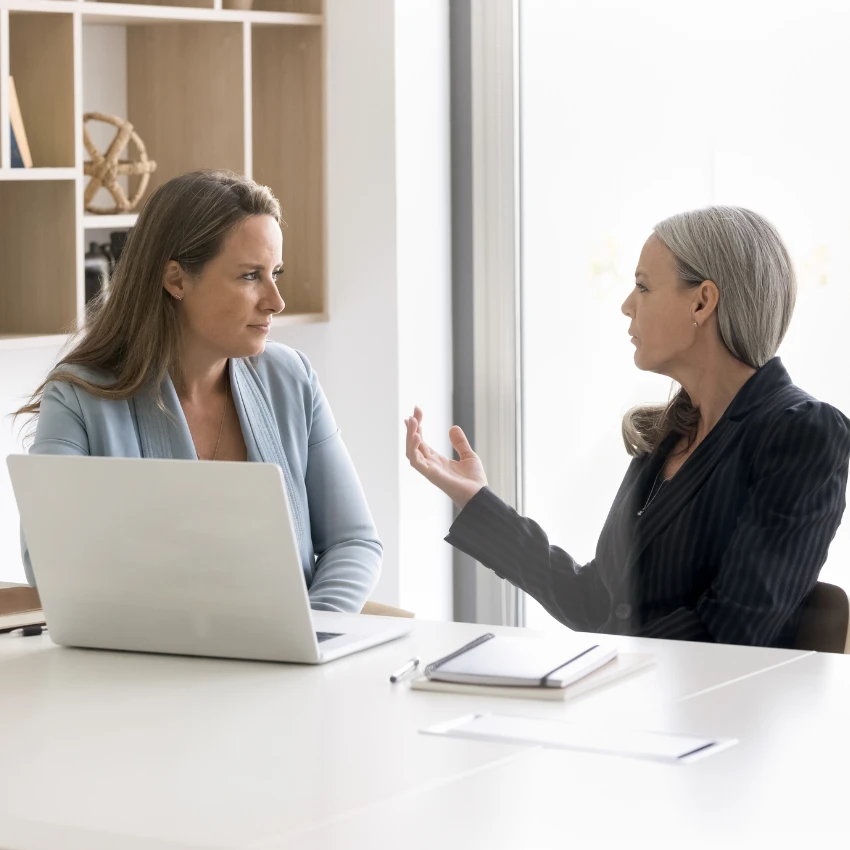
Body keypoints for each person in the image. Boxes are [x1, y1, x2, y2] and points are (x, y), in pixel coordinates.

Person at [405, 206, 850, 647]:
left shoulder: (804, 433)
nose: (626, 305)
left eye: (643, 286)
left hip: (700, 714)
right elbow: (596, 601)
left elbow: (731, 633)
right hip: (628, 700)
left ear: (702, 301)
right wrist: (478, 501)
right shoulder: (672, 434)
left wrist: (592, 668)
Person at [16, 170, 381, 613]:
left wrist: (313, 633)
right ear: (176, 280)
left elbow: (353, 542)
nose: (275, 301)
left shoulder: (292, 379)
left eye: (275, 273)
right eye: (250, 276)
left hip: (291, 671)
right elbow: (50, 561)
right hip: (142, 668)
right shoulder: (78, 397)